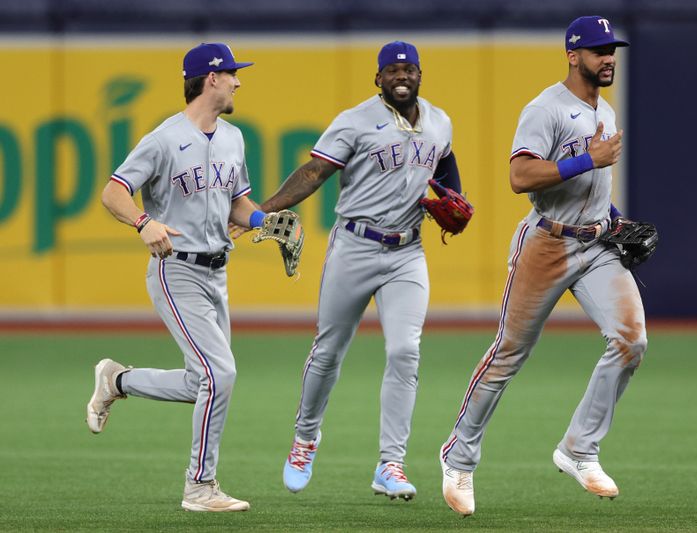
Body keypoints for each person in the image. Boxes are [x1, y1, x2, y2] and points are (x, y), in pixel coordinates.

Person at [439, 16, 647, 516]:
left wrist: (616, 222)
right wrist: (586, 160)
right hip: (547, 243)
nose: (608, 57)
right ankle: (458, 456)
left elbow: (596, 189)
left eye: (611, 49)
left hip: (596, 246)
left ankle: (579, 448)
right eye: (598, 50)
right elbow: (519, 176)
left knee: (631, 341)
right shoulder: (546, 108)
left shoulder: (608, 112)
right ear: (573, 55)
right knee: (509, 353)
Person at [249, 41, 461, 501]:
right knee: (328, 351)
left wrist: (454, 204)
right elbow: (313, 174)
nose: (401, 75)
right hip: (355, 246)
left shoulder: (440, 121)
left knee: (405, 351)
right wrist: (261, 213)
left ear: (421, 74)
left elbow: (446, 170)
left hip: (407, 252)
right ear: (378, 78)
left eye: (409, 68)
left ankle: (391, 463)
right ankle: (305, 438)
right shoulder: (355, 119)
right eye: (392, 70)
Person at [86, 42, 274, 512]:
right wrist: (143, 222)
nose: (238, 81)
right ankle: (200, 487)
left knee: (203, 382)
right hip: (177, 270)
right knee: (221, 374)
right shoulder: (163, 139)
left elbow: (239, 203)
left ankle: (118, 381)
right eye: (232, 73)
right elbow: (114, 192)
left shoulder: (234, 137)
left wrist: (262, 222)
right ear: (211, 78)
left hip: (217, 273)